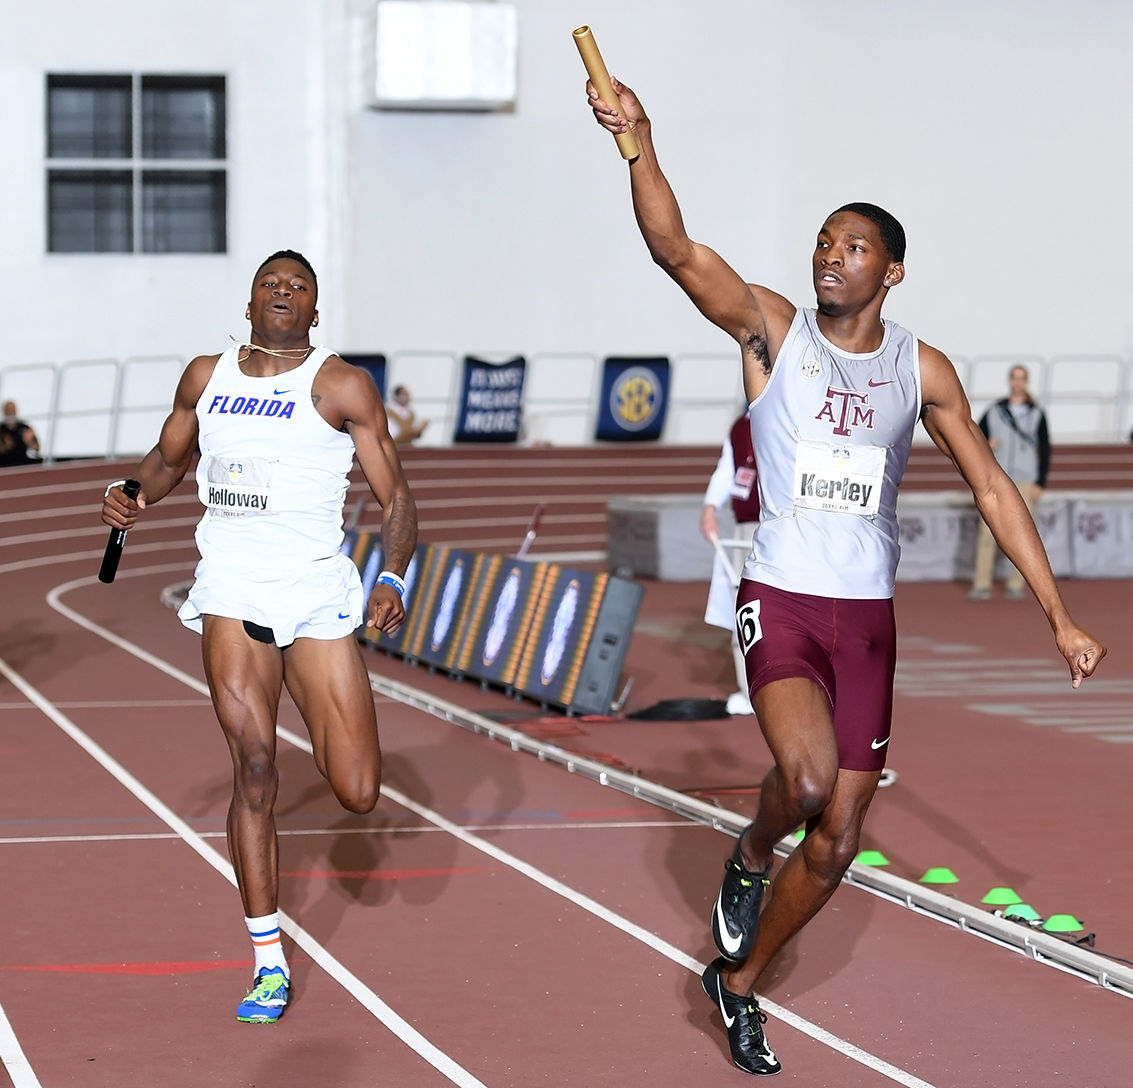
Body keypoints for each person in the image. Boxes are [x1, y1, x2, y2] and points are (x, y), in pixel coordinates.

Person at [586, 79, 1107, 1076]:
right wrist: (640, 143)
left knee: (833, 841)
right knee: (812, 781)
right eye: (822, 239)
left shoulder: (924, 369)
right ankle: (746, 857)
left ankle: (734, 983)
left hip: (865, 619)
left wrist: (1057, 616)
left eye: (851, 244)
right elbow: (676, 250)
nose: (829, 253)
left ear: (891, 270)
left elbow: (994, 490)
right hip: (778, 594)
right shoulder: (772, 332)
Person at [101, 250, 418, 1024]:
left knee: (358, 791)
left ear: (314, 311)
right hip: (233, 590)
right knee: (253, 765)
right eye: (269, 285)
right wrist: (132, 491)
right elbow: (170, 460)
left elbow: (397, 496)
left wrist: (393, 578)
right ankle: (267, 962)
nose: (282, 293)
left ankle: (324, 736)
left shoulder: (341, 385)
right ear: (248, 306)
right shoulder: (206, 375)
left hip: (314, 592)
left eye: (297, 287)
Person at [968, 365, 1051, 601]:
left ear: (1026, 382)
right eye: (1014, 378)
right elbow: (973, 438)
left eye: (1022, 379)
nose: (1018, 383)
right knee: (988, 532)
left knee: (1024, 533)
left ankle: (1017, 584)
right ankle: (982, 583)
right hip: (998, 477)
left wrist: (1040, 482)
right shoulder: (995, 411)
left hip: (1025, 480)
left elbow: (1045, 449)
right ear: (1009, 381)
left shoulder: (1037, 413)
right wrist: (987, 444)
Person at [700, 409, 760, 715]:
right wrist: (710, 507)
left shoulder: (791, 413)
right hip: (745, 529)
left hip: (783, 527)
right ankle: (748, 690)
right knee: (743, 608)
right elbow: (728, 468)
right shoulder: (740, 427)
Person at [0, 400, 41, 466]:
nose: (10, 413)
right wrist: (5, 447)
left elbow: (37, 448)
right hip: (5, 466)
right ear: (4, 412)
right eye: (8, 410)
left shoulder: (24, 428)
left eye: (12, 410)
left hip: (22, 465)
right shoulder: (1, 429)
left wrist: (30, 442)